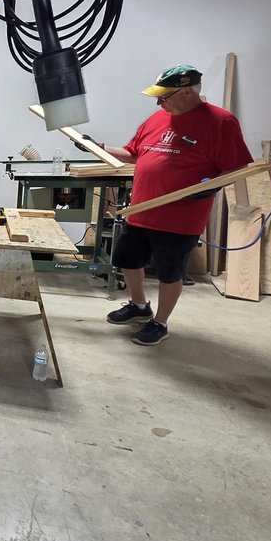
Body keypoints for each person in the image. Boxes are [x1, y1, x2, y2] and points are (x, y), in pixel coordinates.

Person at [90, 64, 252, 346]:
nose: (158, 102)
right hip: (141, 210)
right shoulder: (157, 119)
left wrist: (208, 187)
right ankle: (139, 305)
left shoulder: (221, 122)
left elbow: (236, 168)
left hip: (180, 218)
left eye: (164, 97)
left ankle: (160, 323)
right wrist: (99, 148)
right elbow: (131, 153)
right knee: (127, 260)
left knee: (169, 272)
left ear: (187, 92)